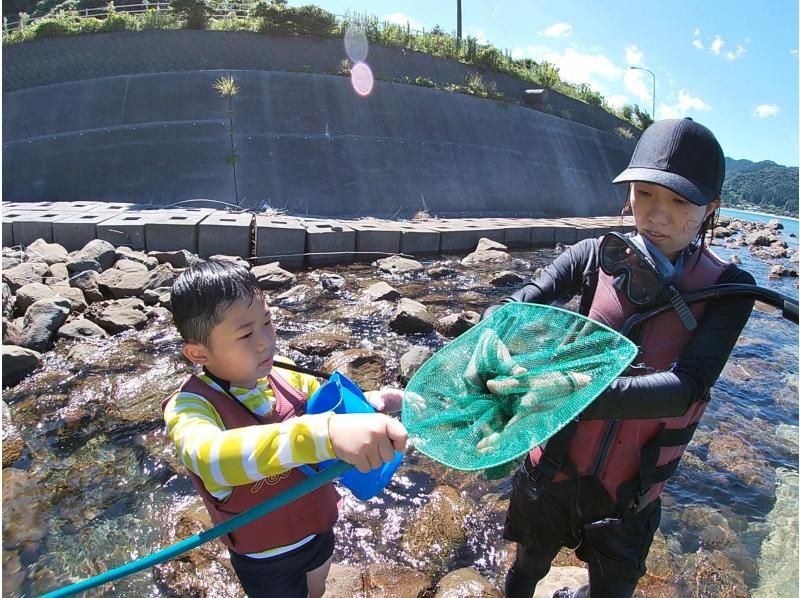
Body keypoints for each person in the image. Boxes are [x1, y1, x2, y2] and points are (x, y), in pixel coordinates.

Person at [483, 118, 756, 598]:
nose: (657, 216)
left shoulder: (729, 293)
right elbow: (523, 301)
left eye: (680, 201)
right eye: (645, 193)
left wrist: (578, 391)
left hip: (629, 494)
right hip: (551, 471)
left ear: (711, 207)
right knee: (525, 572)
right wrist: (495, 327)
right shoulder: (592, 255)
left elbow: (688, 385)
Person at [163, 260, 408, 598]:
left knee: (316, 586)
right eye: (246, 334)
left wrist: (375, 401)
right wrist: (323, 435)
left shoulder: (286, 375)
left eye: (268, 322)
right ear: (198, 353)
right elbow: (209, 458)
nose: (265, 341)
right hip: (264, 558)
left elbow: (327, 407)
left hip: (319, 528)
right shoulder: (189, 407)